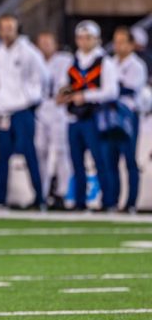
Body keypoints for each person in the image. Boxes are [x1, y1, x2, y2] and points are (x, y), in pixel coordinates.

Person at [58, 20, 120, 211]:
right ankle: (79, 201)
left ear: (96, 39)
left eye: (88, 38)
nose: (84, 42)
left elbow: (111, 91)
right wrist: (64, 95)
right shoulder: (72, 61)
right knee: (76, 163)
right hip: (74, 118)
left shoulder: (105, 62)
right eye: (81, 38)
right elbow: (65, 85)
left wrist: (85, 96)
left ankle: (108, 201)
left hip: (95, 117)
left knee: (100, 160)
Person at [0, 15, 47, 209]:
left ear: (17, 29)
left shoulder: (29, 52)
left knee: (29, 153)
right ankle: (0, 198)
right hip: (4, 111)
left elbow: (43, 77)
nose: (6, 32)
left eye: (10, 28)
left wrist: (31, 99)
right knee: (2, 156)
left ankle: (40, 197)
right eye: (3, 28)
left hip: (22, 110)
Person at [36, 32, 74, 208]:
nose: (45, 46)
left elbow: (71, 81)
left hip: (58, 109)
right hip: (40, 107)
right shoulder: (34, 59)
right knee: (40, 149)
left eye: (48, 42)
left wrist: (64, 95)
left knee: (60, 151)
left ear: (55, 44)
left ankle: (63, 192)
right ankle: (41, 192)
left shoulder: (64, 60)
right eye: (41, 42)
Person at [112, 26, 147, 212]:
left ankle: (131, 202)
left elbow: (129, 89)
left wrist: (111, 88)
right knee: (110, 159)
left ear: (131, 45)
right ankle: (112, 200)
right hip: (109, 115)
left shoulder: (137, 65)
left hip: (128, 115)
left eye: (122, 41)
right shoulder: (110, 62)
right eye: (116, 41)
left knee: (129, 159)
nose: (118, 46)